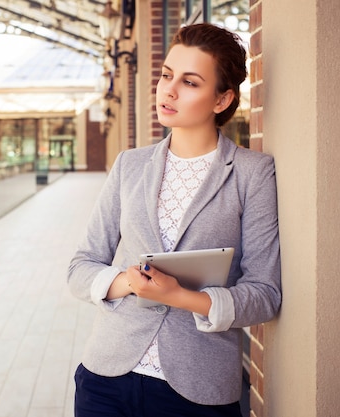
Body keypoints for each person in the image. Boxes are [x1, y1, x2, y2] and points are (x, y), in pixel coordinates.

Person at [67, 22, 281, 417]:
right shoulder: (129, 165)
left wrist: (180, 297)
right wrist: (128, 282)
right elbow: (80, 267)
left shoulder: (252, 173)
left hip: (197, 391)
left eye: (190, 82)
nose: (168, 90)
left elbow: (265, 293)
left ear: (222, 100)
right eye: (167, 75)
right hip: (106, 380)